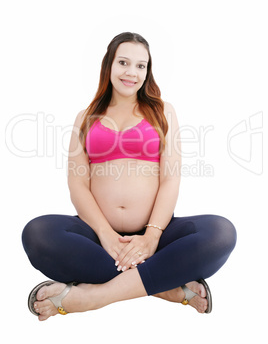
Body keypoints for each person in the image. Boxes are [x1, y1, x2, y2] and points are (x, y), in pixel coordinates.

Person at [22, 32, 236, 321]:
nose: (131, 73)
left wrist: (151, 236)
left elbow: (171, 179)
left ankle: (92, 297)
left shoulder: (163, 112)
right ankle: (169, 287)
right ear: (109, 64)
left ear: (148, 72)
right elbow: (77, 184)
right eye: (124, 62)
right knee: (37, 233)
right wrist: (106, 234)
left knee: (221, 233)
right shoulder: (85, 118)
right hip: (98, 239)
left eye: (141, 66)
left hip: (157, 234)